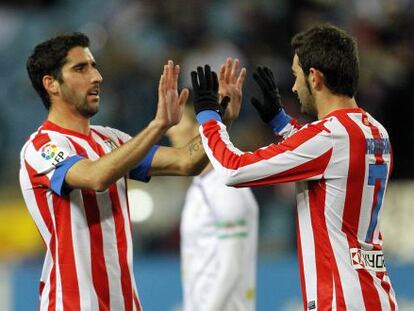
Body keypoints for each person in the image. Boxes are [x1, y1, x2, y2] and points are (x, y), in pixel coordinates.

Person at [19, 32, 234, 311]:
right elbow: (95, 177)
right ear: (52, 84)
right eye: (81, 68)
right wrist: (158, 125)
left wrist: (221, 119)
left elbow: (185, 161)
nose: (97, 77)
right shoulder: (42, 146)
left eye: (94, 66)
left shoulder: (110, 139)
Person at [191, 24, 398, 310]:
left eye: (296, 75)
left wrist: (208, 116)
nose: (293, 86)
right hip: (376, 294)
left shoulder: (329, 137)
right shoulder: (375, 131)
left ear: (314, 78)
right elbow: (331, 159)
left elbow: (233, 169)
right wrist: (281, 122)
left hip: (340, 299)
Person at [167, 58, 259, 311]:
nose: (171, 132)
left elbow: (232, 266)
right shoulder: (200, 187)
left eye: (179, 125)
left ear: (198, 130)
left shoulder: (226, 188)